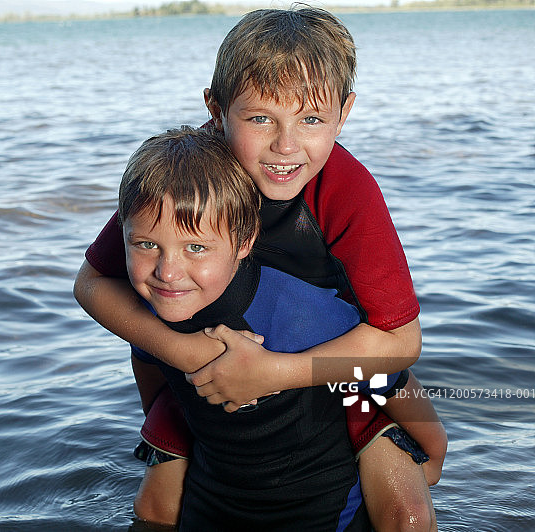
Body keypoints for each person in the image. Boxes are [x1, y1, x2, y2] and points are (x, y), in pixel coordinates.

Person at [74, 6, 447, 530]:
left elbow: (400, 343)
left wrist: (273, 373)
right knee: (153, 510)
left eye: (311, 119)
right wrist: (189, 356)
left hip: (337, 378)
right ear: (216, 109)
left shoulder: (347, 190)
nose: (285, 146)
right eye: (259, 118)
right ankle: (176, 432)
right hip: (205, 374)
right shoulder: (190, 178)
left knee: (408, 514)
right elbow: (93, 283)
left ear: (345, 112)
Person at [118, 125, 372, 529]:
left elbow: (384, 373)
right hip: (211, 501)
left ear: (243, 241)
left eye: (195, 248)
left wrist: (412, 441)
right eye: (147, 244)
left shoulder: (299, 314)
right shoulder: (146, 313)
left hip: (319, 512)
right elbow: (151, 370)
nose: (167, 272)